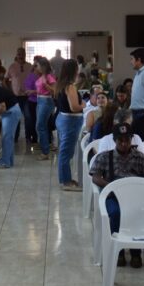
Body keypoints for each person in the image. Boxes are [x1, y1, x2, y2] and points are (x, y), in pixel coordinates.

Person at [89, 123, 144, 269]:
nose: (124, 144)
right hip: (113, 196)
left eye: (127, 140)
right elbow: (95, 177)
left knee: (138, 212)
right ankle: (118, 251)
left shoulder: (140, 157)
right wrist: (110, 186)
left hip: (135, 196)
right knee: (116, 213)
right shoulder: (105, 157)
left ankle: (135, 251)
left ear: (132, 140)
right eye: (120, 141)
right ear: (114, 140)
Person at [53, 60, 85, 191]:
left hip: (63, 119)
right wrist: (84, 104)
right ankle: (65, 181)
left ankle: (66, 178)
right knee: (66, 152)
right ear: (74, 71)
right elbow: (74, 107)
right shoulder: (70, 86)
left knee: (65, 151)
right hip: (70, 121)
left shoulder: (60, 85)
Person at [6, 47, 32, 143]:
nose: (21, 56)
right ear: (16, 55)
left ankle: (28, 137)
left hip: (27, 96)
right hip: (15, 97)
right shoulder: (12, 66)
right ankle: (15, 137)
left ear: (25, 54)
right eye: (19, 54)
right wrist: (10, 91)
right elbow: (5, 80)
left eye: (22, 54)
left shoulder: (30, 66)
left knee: (28, 117)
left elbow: (34, 79)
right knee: (16, 117)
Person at [34, 57, 57, 161]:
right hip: (40, 101)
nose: (36, 67)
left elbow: (54, 91)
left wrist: (46, 84)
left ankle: (45, 152)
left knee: (40, 125)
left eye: (37, 65)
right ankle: (45, 147)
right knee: (40, 126)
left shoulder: (49, 76)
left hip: (46, 101)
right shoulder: (41, 76)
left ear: (43, 66)